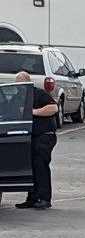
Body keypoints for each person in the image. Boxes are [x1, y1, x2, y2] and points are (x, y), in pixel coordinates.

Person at [16, 70, 57, 209]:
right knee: (31, 166)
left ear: (28, 83)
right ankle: (32, 198)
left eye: (22, 84)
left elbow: (53, 108)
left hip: (44, 136)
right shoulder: (18, 97)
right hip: (28, 137)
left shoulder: (39, 94)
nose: (19, 87)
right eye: (17, 84)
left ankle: (45, 198)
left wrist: (33, 112)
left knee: (41, 166)